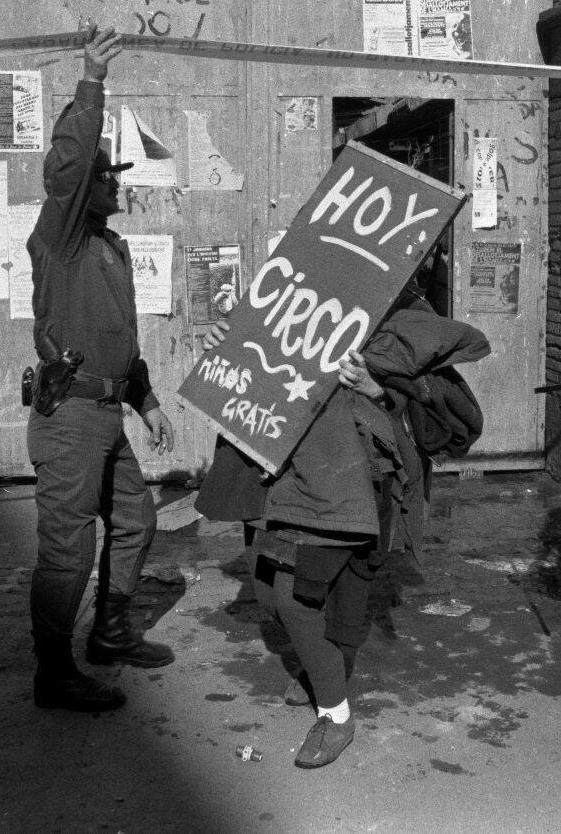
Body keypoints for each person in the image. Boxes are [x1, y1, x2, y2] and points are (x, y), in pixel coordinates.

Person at [199, 269, 489, 768]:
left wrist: (383, 388)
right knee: (270, 591)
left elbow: (441, 395)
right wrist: (225, 344)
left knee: (297, 596)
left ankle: (336, 714)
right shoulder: (296, 287)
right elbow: (251, 370)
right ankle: (325, 666)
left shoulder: (405, 307)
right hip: (282, 471)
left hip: (350, 477)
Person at [26, 23, 176, 713]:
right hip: (71, 418)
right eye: (107, 179)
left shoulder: (109, 247)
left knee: (136, 521)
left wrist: (145, 401)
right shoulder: (60, 236)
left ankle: (110, 633)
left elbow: (121, 339)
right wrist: (91, 82)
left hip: (109, 413)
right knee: (68, 551)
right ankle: (53, 672)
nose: (117, 188)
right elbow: (67, 165)